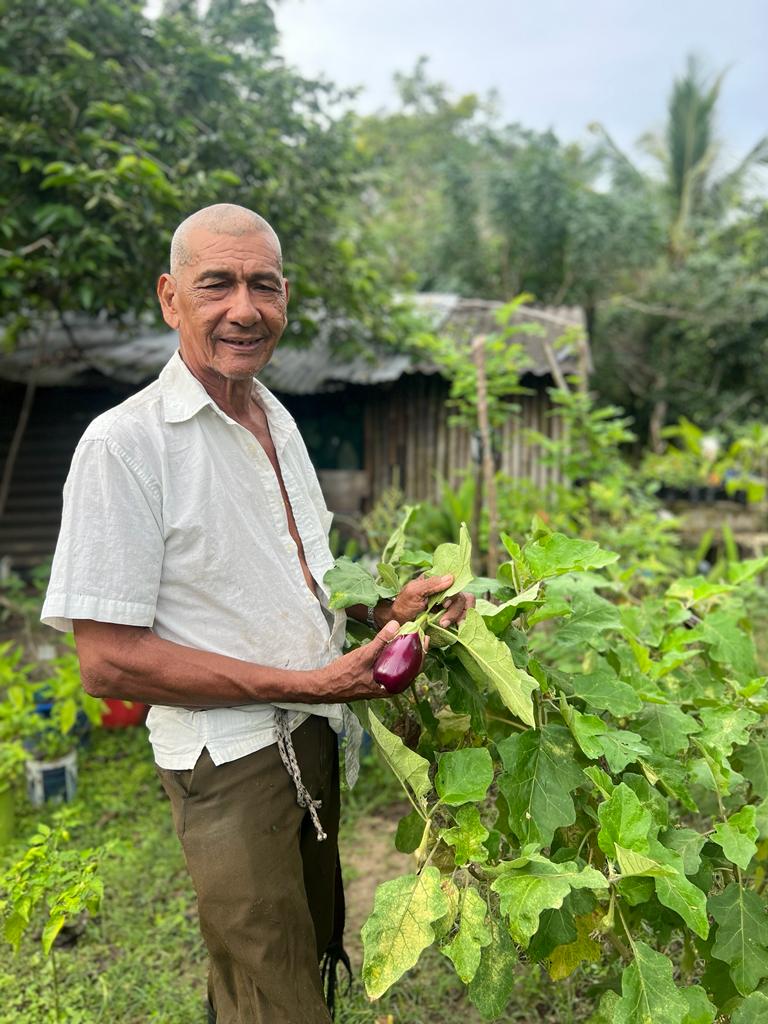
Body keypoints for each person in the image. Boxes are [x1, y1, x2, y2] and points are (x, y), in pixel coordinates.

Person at [41, 204, 474, 1024]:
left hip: (311, 731)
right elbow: (108, 663)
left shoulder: (272, 415)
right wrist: (315, 679)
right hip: (230, 761)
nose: (245, 308)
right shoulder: (124, 445)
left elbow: (299, 578)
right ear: (171, 298)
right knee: (275, 986)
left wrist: (389, 609)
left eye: (263, 285)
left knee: (293, 953)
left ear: (285, 297)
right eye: (217, 284)